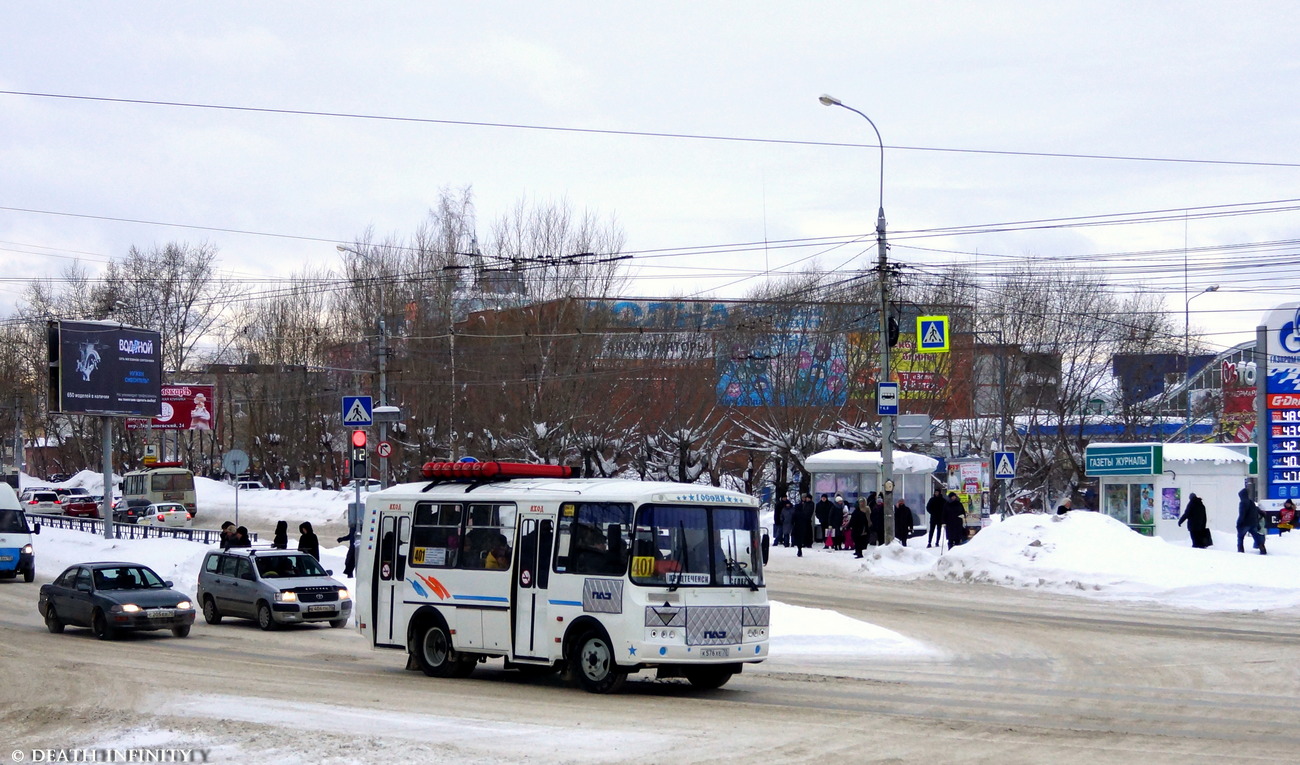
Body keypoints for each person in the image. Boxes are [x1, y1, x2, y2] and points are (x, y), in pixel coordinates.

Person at [1236, 488, 1266, 555]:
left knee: (1240, 537)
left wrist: (1238, 523)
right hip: (1253, 523)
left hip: (1245, 524)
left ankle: (1240, 551)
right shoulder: (1251, 502)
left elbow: (1242, 514)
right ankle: (1262, 549)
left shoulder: (1243, 503)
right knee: (1256, 537)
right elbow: (1256, 511)